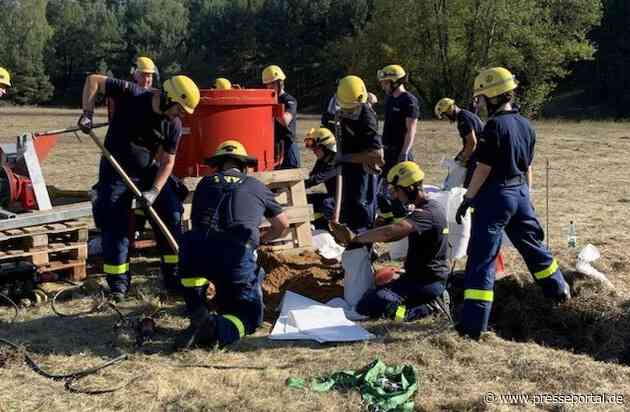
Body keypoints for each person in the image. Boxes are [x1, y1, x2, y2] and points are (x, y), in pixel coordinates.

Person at [455, 67, 571, 340]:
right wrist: (525, 198)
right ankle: (559, 291)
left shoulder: (494, 126)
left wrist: (468, 198)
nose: (479, 104)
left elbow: (483, 168)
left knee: (482, 259)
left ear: (493, 96)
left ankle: (474, 326)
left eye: (481, 98)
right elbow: (528, 166)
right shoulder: (526, 124)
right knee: (533, 247)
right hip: (519, 192)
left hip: (496, 196)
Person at [78, 73, 200, 301]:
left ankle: (173, 279)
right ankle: (118, 286)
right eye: (179, 108)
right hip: (115, 169)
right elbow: (93, 80)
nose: (180, 115)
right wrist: (88, 113)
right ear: (167, 98)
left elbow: (168, 161)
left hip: (148, 171)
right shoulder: (133, 93)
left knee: (172, 212)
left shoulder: (173, 125)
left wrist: (154, 192)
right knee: (115, 222)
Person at [176, 140, 289, 349]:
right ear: (244, 166)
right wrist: (263, 240)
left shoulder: (205, 184)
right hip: (235, 255)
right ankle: (214, 328)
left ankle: (197, 309)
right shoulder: (257, 186)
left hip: (195, 253)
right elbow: (282, 225)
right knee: (249, 315)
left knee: (204, 275)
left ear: (217, 165)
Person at [343, 161, 451, 321]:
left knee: (368, 305)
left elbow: (390, 233)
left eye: (397, 190)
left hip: (425, 283)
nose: (395, 196)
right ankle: (417, 304)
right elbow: (397, 232)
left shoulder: (426, 213)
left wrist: (358, 238)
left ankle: (425, 308)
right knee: (377, 291)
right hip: (420, 278)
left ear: (410, 188)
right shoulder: (430, 206)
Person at [335, 75, 384, 234]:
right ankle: (351, 234)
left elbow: (377, 155)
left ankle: (365, 239)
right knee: (348, 204)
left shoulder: (367, 119)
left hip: (363, 170)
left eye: (350, 109)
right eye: (345, 107)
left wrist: (346, 158)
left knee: (361, 205)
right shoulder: (346, 97)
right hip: (348, 167)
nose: (346, 111)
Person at [377, 65, 420, 223]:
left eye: (385, 82)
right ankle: (388, 220)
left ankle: (404, 224)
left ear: (395, 82)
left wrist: (404, 154)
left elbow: (411, 130)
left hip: (400, 153)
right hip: (386, 152)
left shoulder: (409, 100)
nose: (383, 85)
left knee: (399, 190)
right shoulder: (390, 99)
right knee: (381, 190)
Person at [434, 97, 485, 188]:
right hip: (479, 154)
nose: (446, 118)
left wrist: (463, 160)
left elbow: (472, 143)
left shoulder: (463, 120)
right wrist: (459, 157)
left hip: (479, 156)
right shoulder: (466, 114)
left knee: (469, 188)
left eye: (445, 115)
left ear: (450, 109)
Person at [262, 65, 299, 169]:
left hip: (288, 147)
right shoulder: (269, 100)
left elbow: (285, 120)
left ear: (280, 82)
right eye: (267, 84)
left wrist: (272, 106)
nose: (269, 87)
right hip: (274, 147)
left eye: (272, 84)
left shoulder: (289, 100)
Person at [304, 127, 340, 229]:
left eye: (316, 148)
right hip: (334, 196)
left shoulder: (335, 161)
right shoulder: (323, 159)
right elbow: (311, 176)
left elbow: (316, 179)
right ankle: (322, 227)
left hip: (345, 200)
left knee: (327, 203)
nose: (313, 151)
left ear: (326, 146)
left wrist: (295, 187)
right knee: (308, 199)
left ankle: (338, 230)